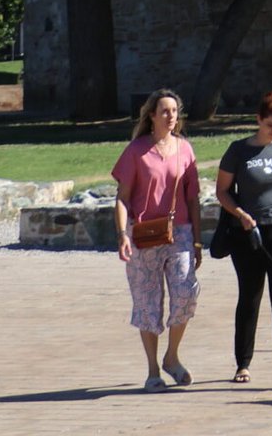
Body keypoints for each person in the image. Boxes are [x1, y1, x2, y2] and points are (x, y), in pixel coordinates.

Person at [112, 89, 202, 390]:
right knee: (147, 302)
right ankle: (153, 371)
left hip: (180, 232)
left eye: (175, 110)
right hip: (143, 233)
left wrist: (198, 241)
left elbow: (193, 199)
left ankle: (172, 357)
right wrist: (123, 234)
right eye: (165, 110)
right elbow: (122, 197)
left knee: (186, 293)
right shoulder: (136, 150)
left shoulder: (186, 149)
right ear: (151, 115)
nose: (171, 116)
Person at [214, 92, 272, 390]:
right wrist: (240, 214)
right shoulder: (238, 151)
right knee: (250, 296)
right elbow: (222, 191)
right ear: (258, 121)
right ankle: (243, 362)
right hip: (247, 231)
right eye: (270, 125)